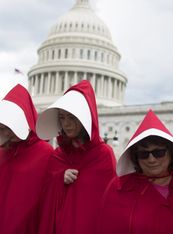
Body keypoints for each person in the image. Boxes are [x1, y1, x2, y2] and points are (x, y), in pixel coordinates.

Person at [36, 80, 117, 234]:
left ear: (85, 117)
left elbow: (110, 205)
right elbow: (43, 201)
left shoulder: (103, 155)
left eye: (72, 117)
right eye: (62, 117)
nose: (66, 124)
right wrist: (59, 178)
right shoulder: (57, 156)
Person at [0, 84, 54, 233]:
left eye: (10, 127)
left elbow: (49, 201)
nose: (7, 133)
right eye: (2, 128)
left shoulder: (45, 152)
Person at [96, 109, 173, 234]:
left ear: (171, 153)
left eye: (158, 152)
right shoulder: (118, 189)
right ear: (135, 157)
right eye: (144, 154)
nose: (151, 159)